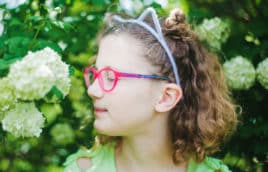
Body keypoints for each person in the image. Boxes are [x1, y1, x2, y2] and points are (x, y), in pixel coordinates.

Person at [64, 7, 238, 172]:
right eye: (96, 74)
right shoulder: (81, 169)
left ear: (166, 97)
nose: (92, 90)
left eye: (110, 77)